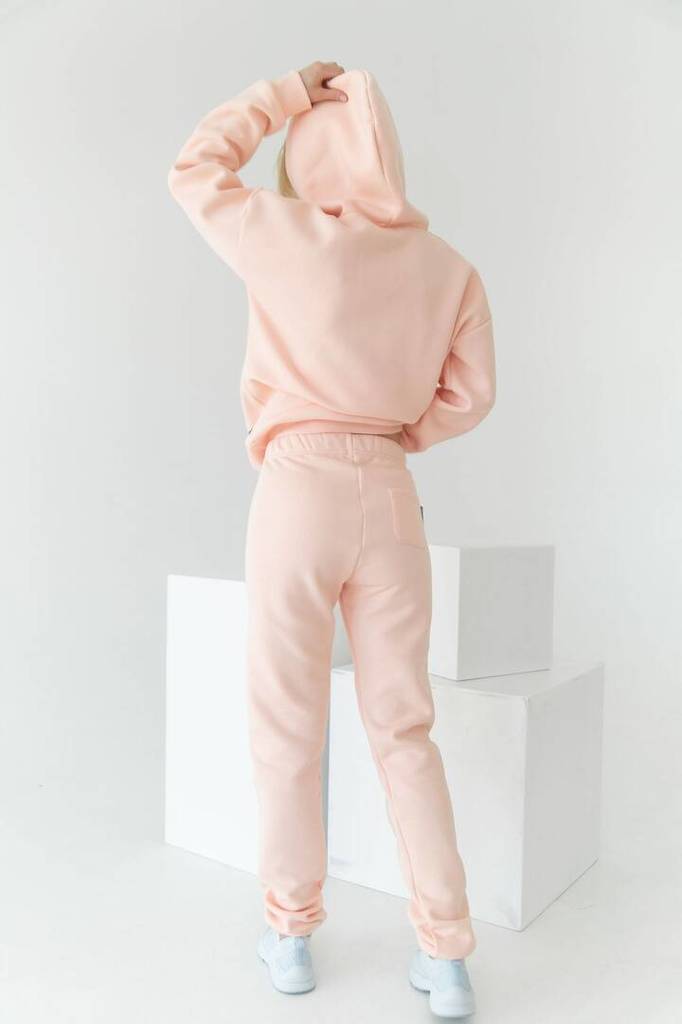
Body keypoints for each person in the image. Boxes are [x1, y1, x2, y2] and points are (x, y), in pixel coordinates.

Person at [167, 59, 496, 1019]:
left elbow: (194, 168)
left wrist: (279, 96)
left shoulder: (282, 231)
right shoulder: (449, 269)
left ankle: (292, 935)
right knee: (403, 729)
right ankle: (445, 957)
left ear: (306, 156)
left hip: (297, 488)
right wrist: (395, 436)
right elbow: (472, 394)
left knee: (287, 725)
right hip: (389, 494)